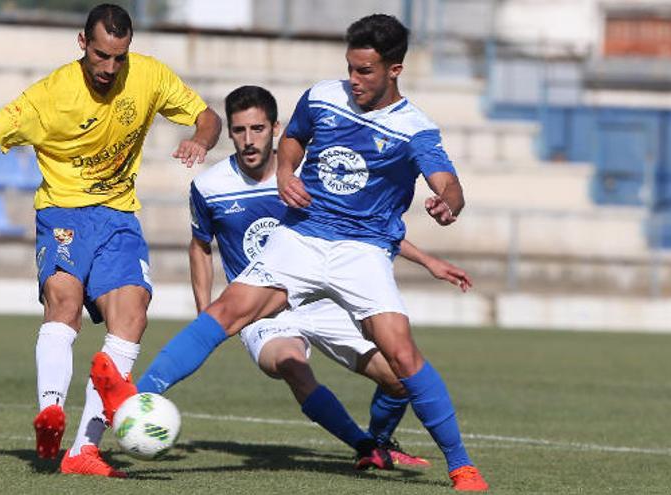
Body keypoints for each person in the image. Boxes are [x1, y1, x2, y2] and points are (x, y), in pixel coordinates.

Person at [93, 14, 489, 491]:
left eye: (365, 71)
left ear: (394, 70)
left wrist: (449, 203)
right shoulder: (324, 95)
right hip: (302, 235)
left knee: (402, 356)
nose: (354, 80)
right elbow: (295, 138)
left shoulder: (414, 128)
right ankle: (134, 395)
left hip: (361, 251)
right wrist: (285, 172)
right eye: (350, 68)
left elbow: (449, 182)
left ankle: (461, 465)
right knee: (227, 310)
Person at [0, 3, 221, 478]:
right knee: (64, 303)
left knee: (131, 316)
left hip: (119, 217)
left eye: (119, 57)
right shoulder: (52, 94)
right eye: (101, 56)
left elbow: (206, 114)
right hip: (63, 213)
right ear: (82, 44)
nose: (110, 68)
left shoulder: (149, 76)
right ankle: (51, 409)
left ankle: (84, 451)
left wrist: (202, 138)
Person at [187, 85, 473, 469]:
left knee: (399, 379)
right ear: (230, 134)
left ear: (276, 128)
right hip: (264, 308)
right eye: (239, 130)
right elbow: (200, 247)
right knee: (291, 363)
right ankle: (363, 445)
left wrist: (427, 261)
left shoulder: (307, 176)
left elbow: (356, 231)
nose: (249, 140)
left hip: (318, 295)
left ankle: (381, 441)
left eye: (257, 129)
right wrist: (206, 314)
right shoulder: (209, 186)